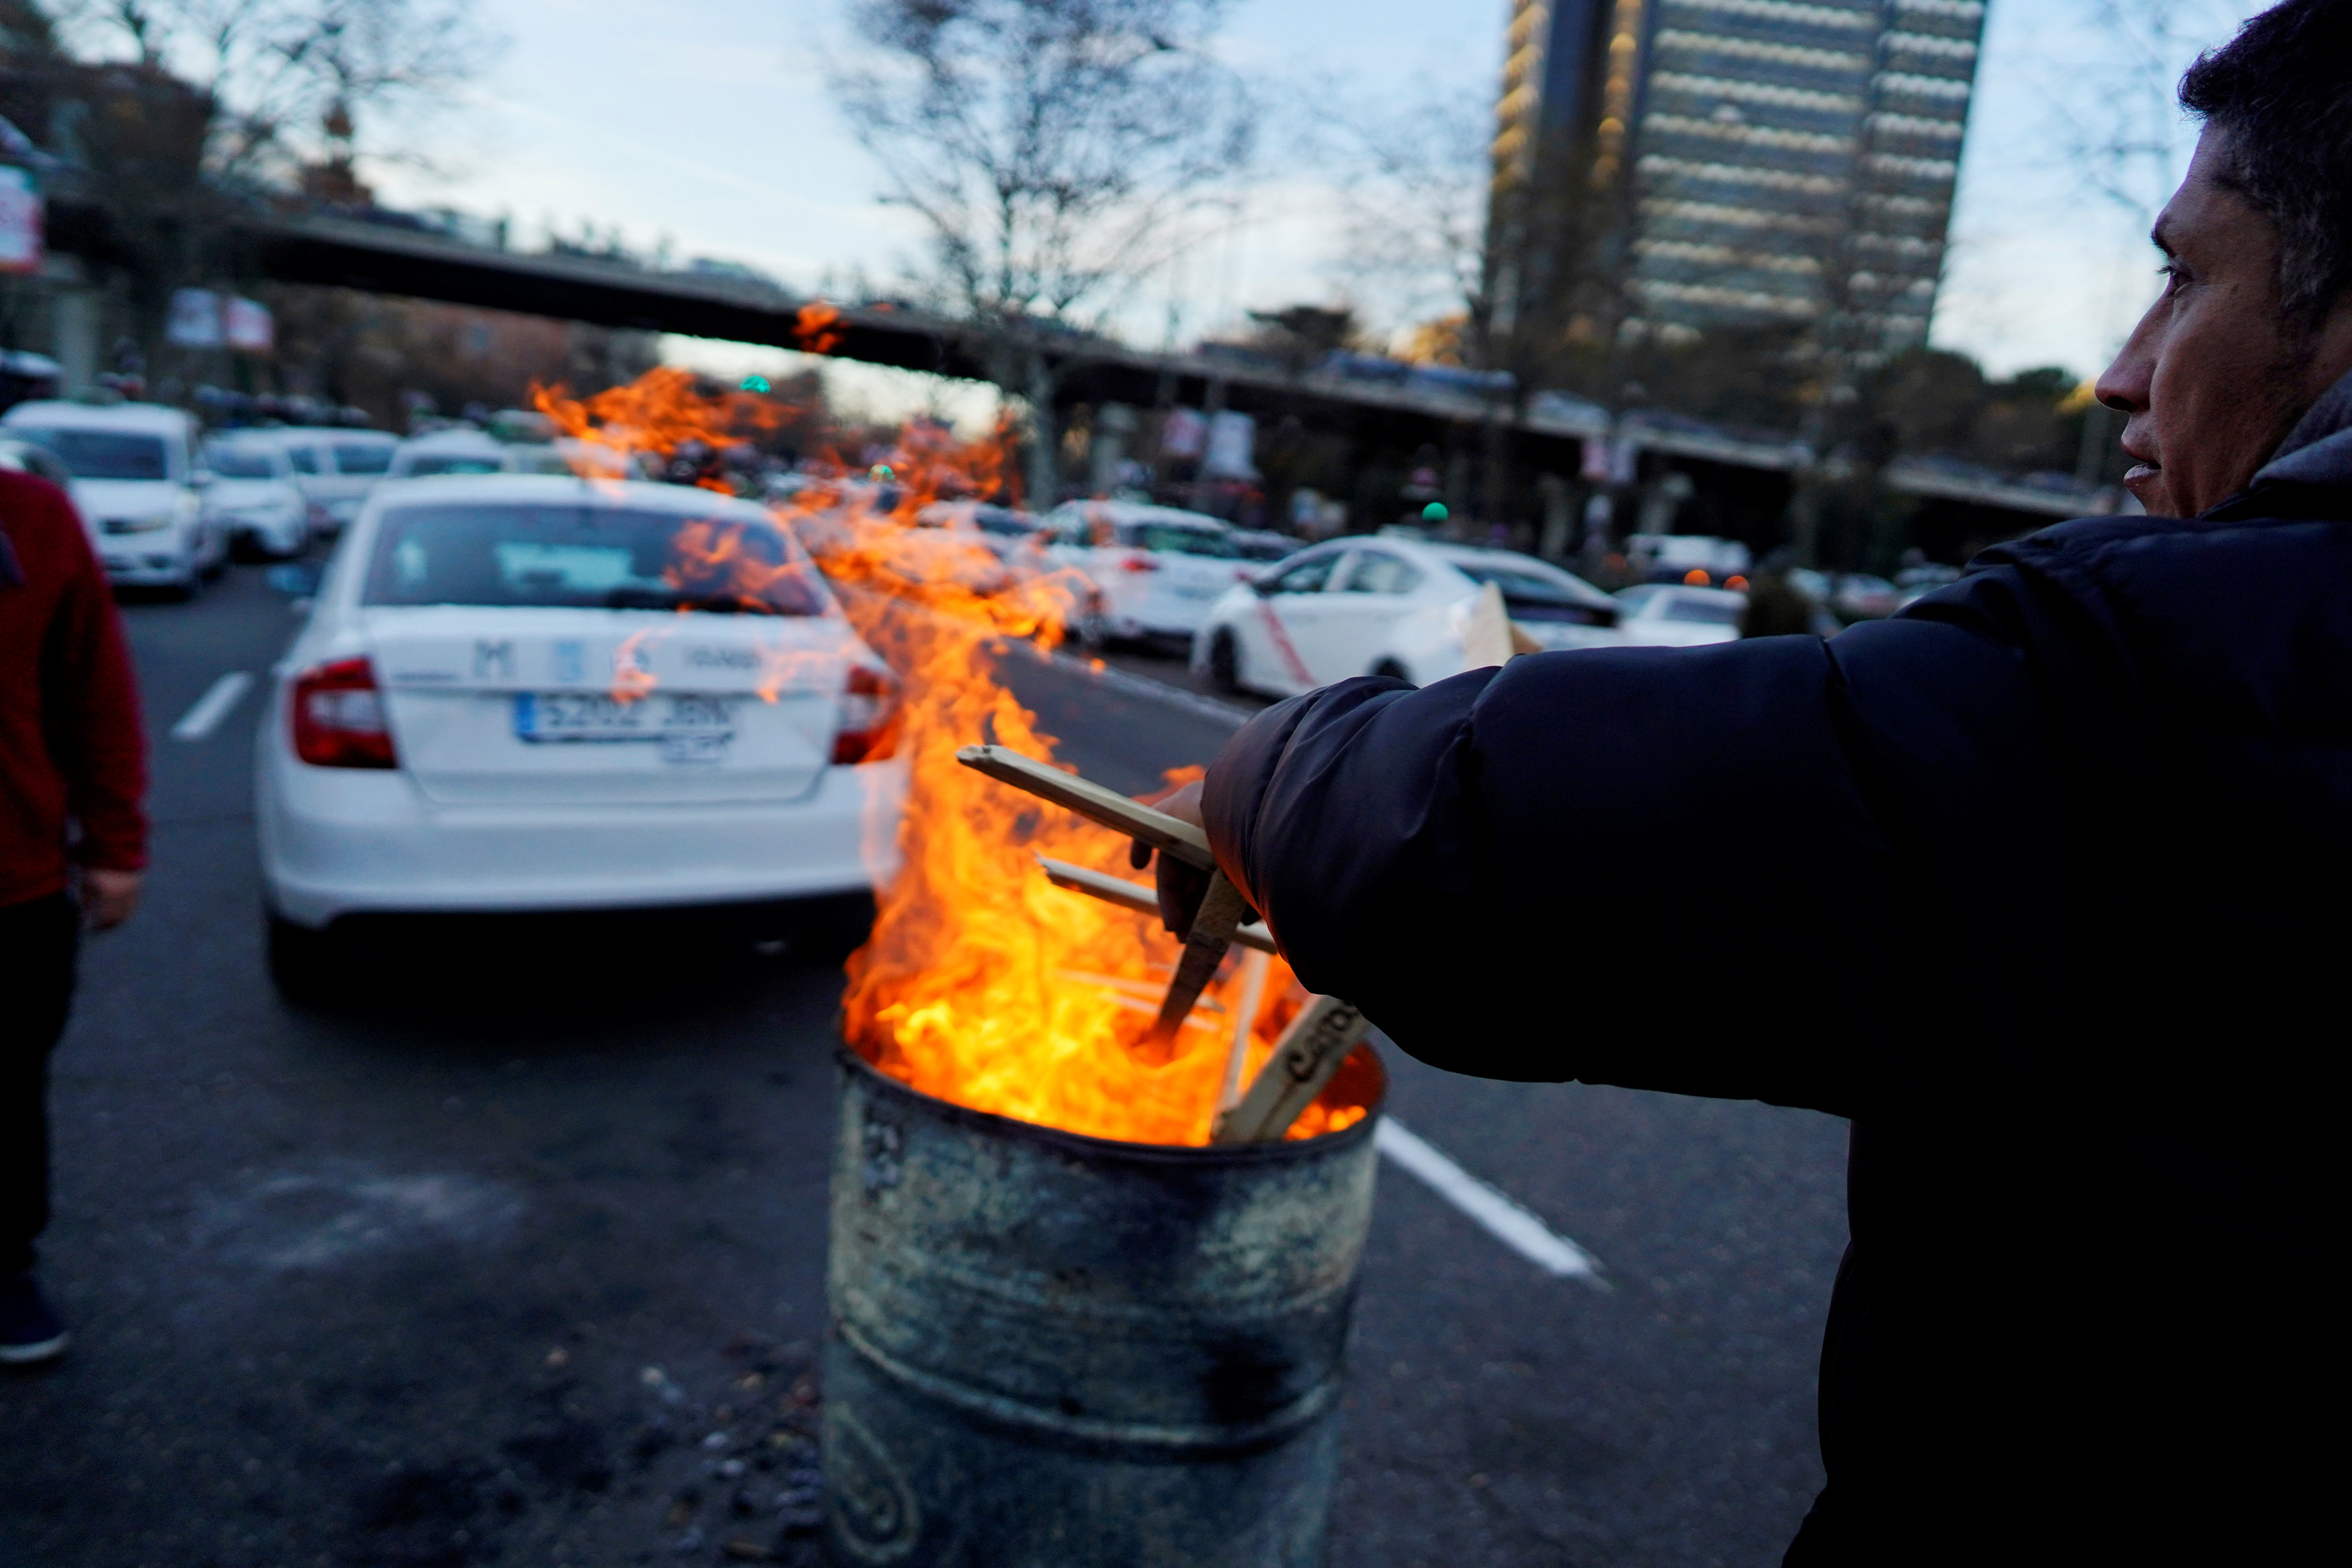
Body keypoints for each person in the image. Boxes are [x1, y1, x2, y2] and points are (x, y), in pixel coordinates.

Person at [1144, 3, 2351, 1559]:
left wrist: (1252, 770)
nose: (2121, 373)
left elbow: (1452, 839)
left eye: (2183, 274)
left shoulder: (2188, 674)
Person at [0, 458, 148, 1364]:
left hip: (10, 879)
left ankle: (5, 1262)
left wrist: (114, 844)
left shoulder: (34, 519)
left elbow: (94, 690)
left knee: (8, 1085)